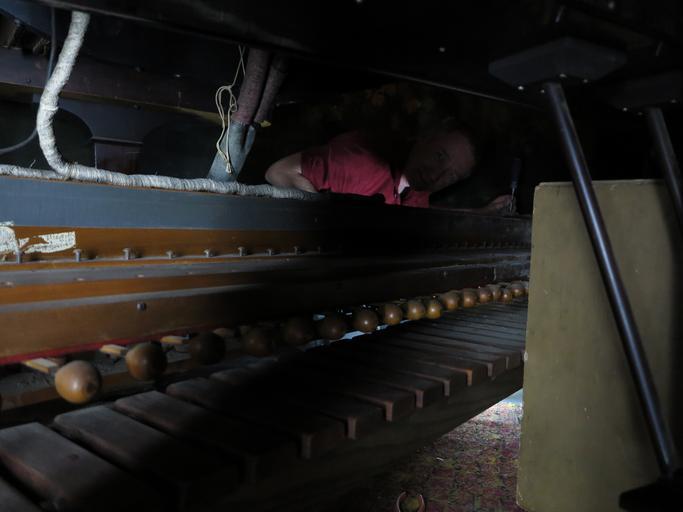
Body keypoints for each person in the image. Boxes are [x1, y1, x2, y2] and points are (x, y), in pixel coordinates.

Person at [265, 125, 512, 212]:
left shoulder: (416, 193)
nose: (437, 174)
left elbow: (434, 217)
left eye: (451, 176)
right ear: (425, 137)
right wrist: (325, 221)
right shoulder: (362, 159)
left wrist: (482, 213)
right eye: (439, 156)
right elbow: (279, 171)